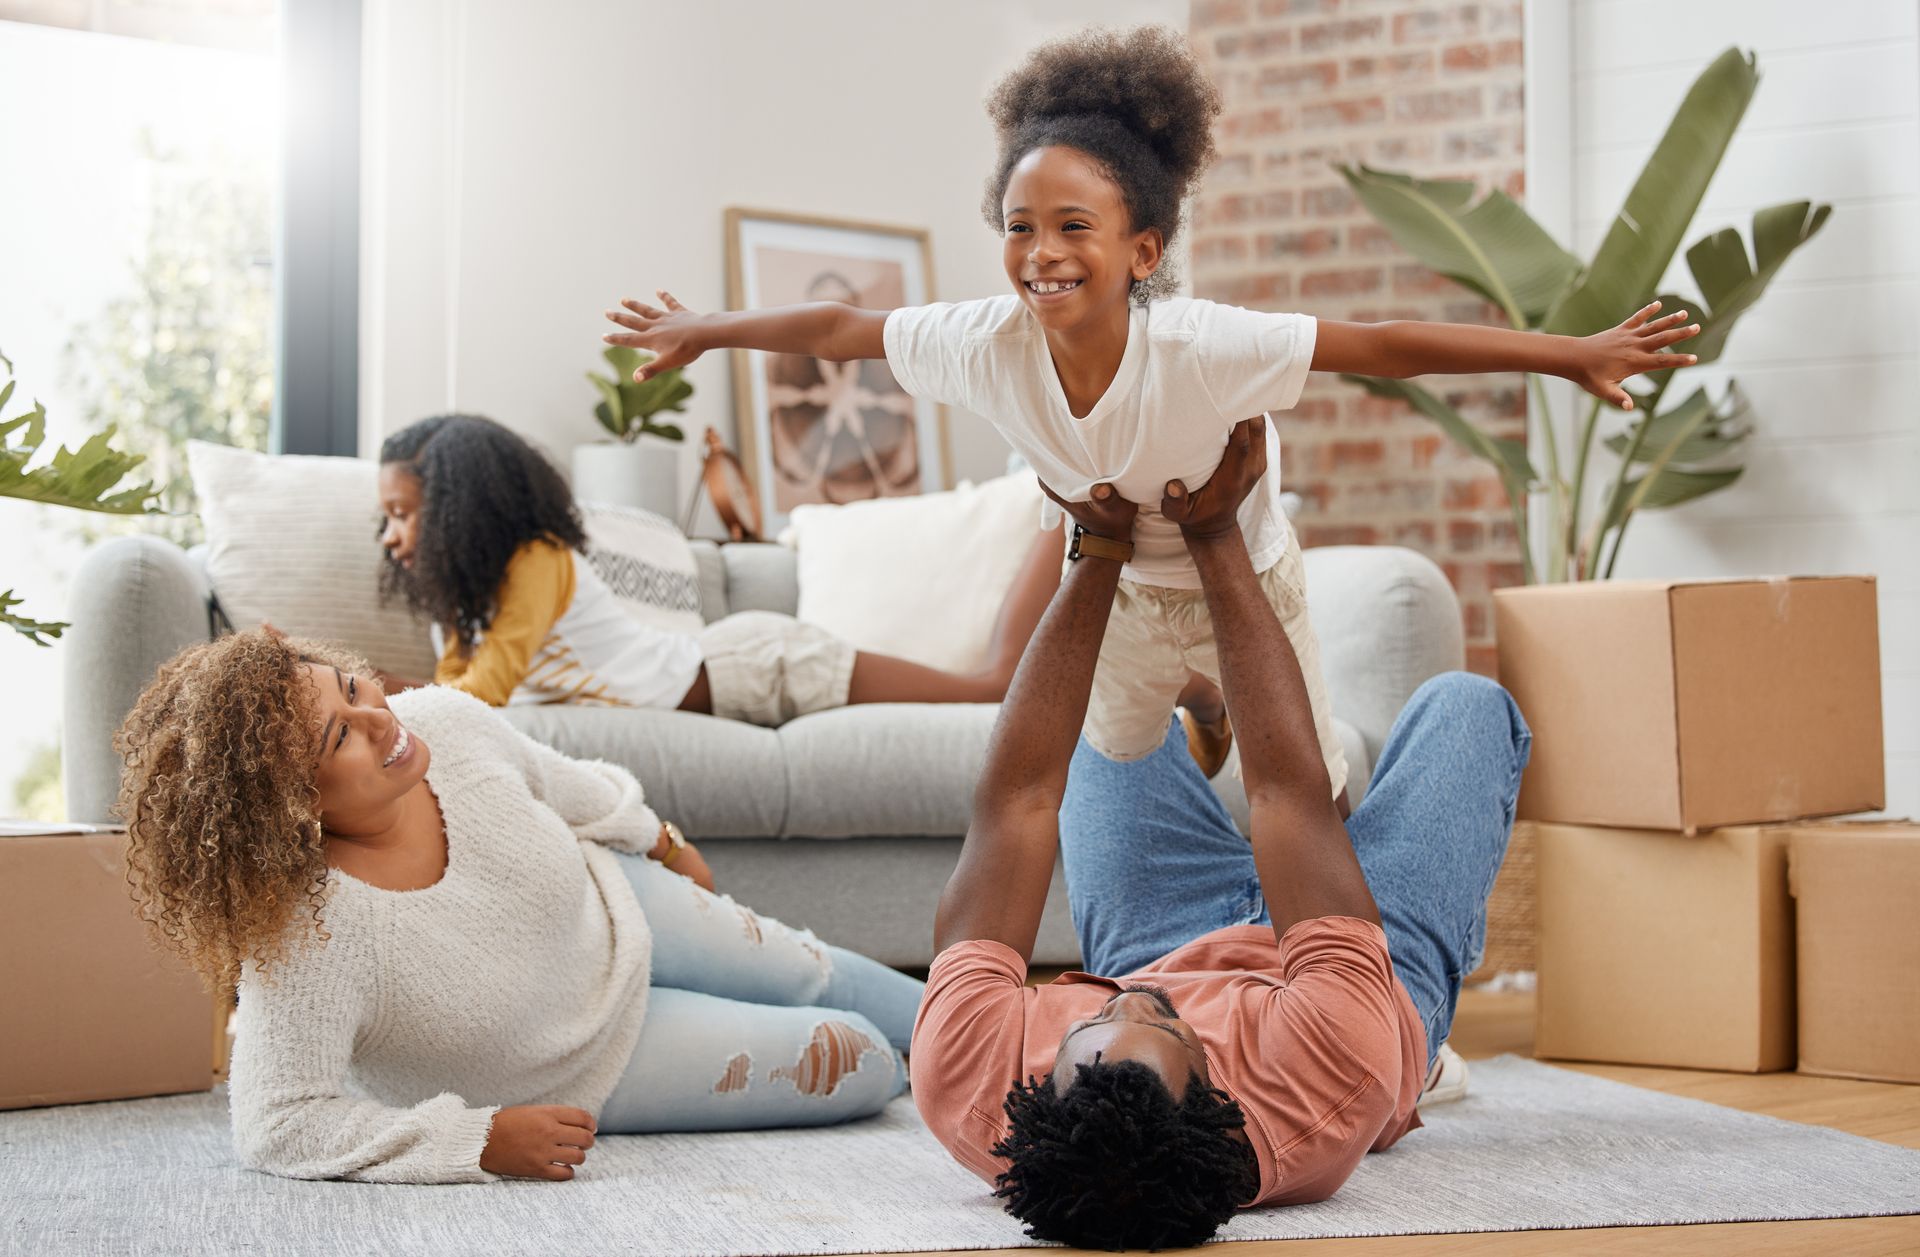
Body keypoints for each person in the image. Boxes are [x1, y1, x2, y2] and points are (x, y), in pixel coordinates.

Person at [603, 23, 1691, 787]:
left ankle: (1239, 732)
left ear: (1144, 247)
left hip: (1244, 588)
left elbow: (1381, 347)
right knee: (1112, 769)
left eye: (1075, 226)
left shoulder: (1204, 346)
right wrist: (706, 330)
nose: (1041, 253)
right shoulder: (982, 344)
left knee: (1308, 785)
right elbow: (841, 333)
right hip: (1118, 591)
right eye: (1021, 225)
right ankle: (1192, 734)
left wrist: (1565, 354)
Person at [908, 417, 1532, 1248]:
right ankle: (1422, 1050)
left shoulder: (967, 1080)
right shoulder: (1330, 1075)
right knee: (1466, 707)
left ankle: (1195, 701)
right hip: (1350, 979)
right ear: (1220, 1095)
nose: (1135, 1003)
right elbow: (1286, 796)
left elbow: (1019, 798)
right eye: (1167, 1021)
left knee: (1098, 733)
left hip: (1157, 933)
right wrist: (1216, 534)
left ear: (1042, 1089)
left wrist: (1095, 546)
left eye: (1095, 1020)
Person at [114, 628, 925, 1183]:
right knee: (858, 1059)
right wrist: (475, 1140)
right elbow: (276, 1121)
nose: (378, 717)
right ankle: (967, 1053)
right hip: (593, 1060)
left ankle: (1008, 1027)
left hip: (612, 904)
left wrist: (665, 842)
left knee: (812, 972)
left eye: (354, 687)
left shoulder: (445, 721)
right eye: (341, 738)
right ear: (289, 807)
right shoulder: (310, 936)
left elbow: (570, 787)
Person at [374, 414, 1064, 721]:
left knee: (990, 690)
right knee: (987, 689)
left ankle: (1061, 498)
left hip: (759, 663)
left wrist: (367, 686)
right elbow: (453, 694)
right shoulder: (472, 600)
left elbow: (480, 698)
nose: (389, 535)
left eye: (403, 513)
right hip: (733, 674)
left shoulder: (536, 561)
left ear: (459, 509)